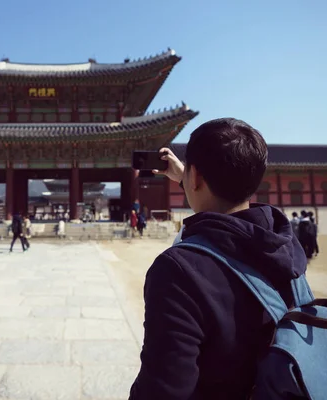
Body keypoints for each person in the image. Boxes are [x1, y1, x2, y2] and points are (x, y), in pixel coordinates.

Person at [129, 118, 308, 399]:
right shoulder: (286, 246)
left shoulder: (179, 270)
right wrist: (189, 177)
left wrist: (192, 179)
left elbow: (163, 389)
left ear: (196, 176)